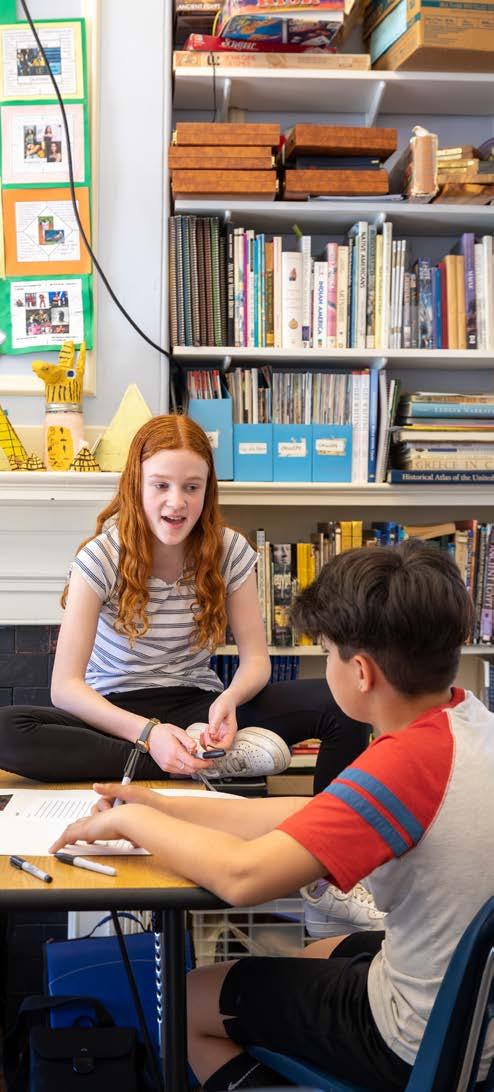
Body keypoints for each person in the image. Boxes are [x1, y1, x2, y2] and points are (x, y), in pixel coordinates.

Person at [50, 539, 494, 1091]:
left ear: (360, 672)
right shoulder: (467, 720)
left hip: (420, 1036)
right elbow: (317, 812)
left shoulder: (402, 767)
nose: (326, 665)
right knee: (318, 953)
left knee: (188, 1000)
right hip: (472, 1005)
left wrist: (128, 823)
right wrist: (160, 805)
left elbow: (243, 876)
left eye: (327, 653)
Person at [0, 414, 369, 798]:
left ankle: (333, 825)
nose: (177, 502)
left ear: (207, 490)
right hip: (116, 717)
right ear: (136, 484)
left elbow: (257, 662)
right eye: (161, 485)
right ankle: (192, 761)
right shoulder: (99, 558)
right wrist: (150, 734)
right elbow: (65, 688)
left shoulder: (230, 551)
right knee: (6, 730)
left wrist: (228, 701)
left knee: (347, 703)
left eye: (192, 487)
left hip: (199, 708)